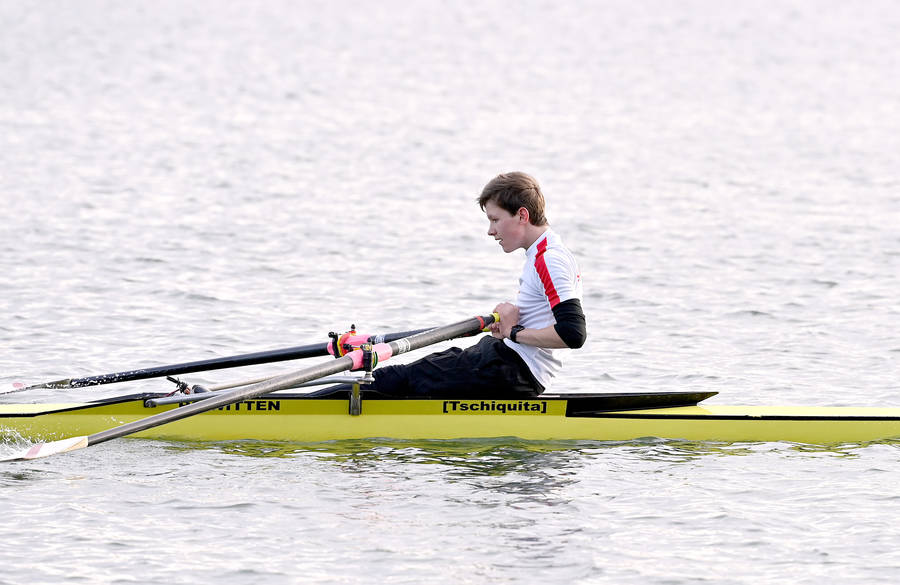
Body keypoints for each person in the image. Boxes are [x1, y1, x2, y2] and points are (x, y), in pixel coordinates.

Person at [312, 172, 586, 398]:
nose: (490, 231)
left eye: (495, 219)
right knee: (395, 378)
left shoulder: (549, 259)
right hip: (503, 360)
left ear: (522, 215)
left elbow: (573, 334)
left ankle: (294, 414)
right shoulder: (544, 253)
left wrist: (513, 331)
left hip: (513, 370)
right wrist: (509, 327)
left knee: (389, 381)